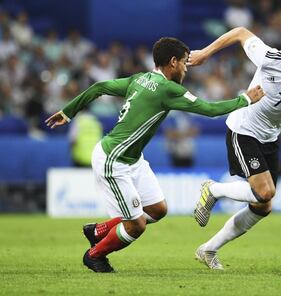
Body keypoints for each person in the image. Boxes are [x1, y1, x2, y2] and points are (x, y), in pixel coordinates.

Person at [45, 37, 265, 273]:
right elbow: (209, 110)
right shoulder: (169, 89)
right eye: (184, 63)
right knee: (136, 225)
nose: (185, 68)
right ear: (173, 62)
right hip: (113, 159)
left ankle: (97, 231)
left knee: (157, 210)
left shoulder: (140, 78)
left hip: (133, 159)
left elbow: (99, 88)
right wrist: (245, 99)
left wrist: (67, 112)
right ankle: (94, 255)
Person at [188, 24, 281, 270]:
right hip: (243, 129)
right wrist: (204, 54)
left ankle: (208, 249)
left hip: (270, 137)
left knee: (263, 206)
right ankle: (213, 190)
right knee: (265, 192)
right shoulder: (268, 56)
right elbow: (240, 32)